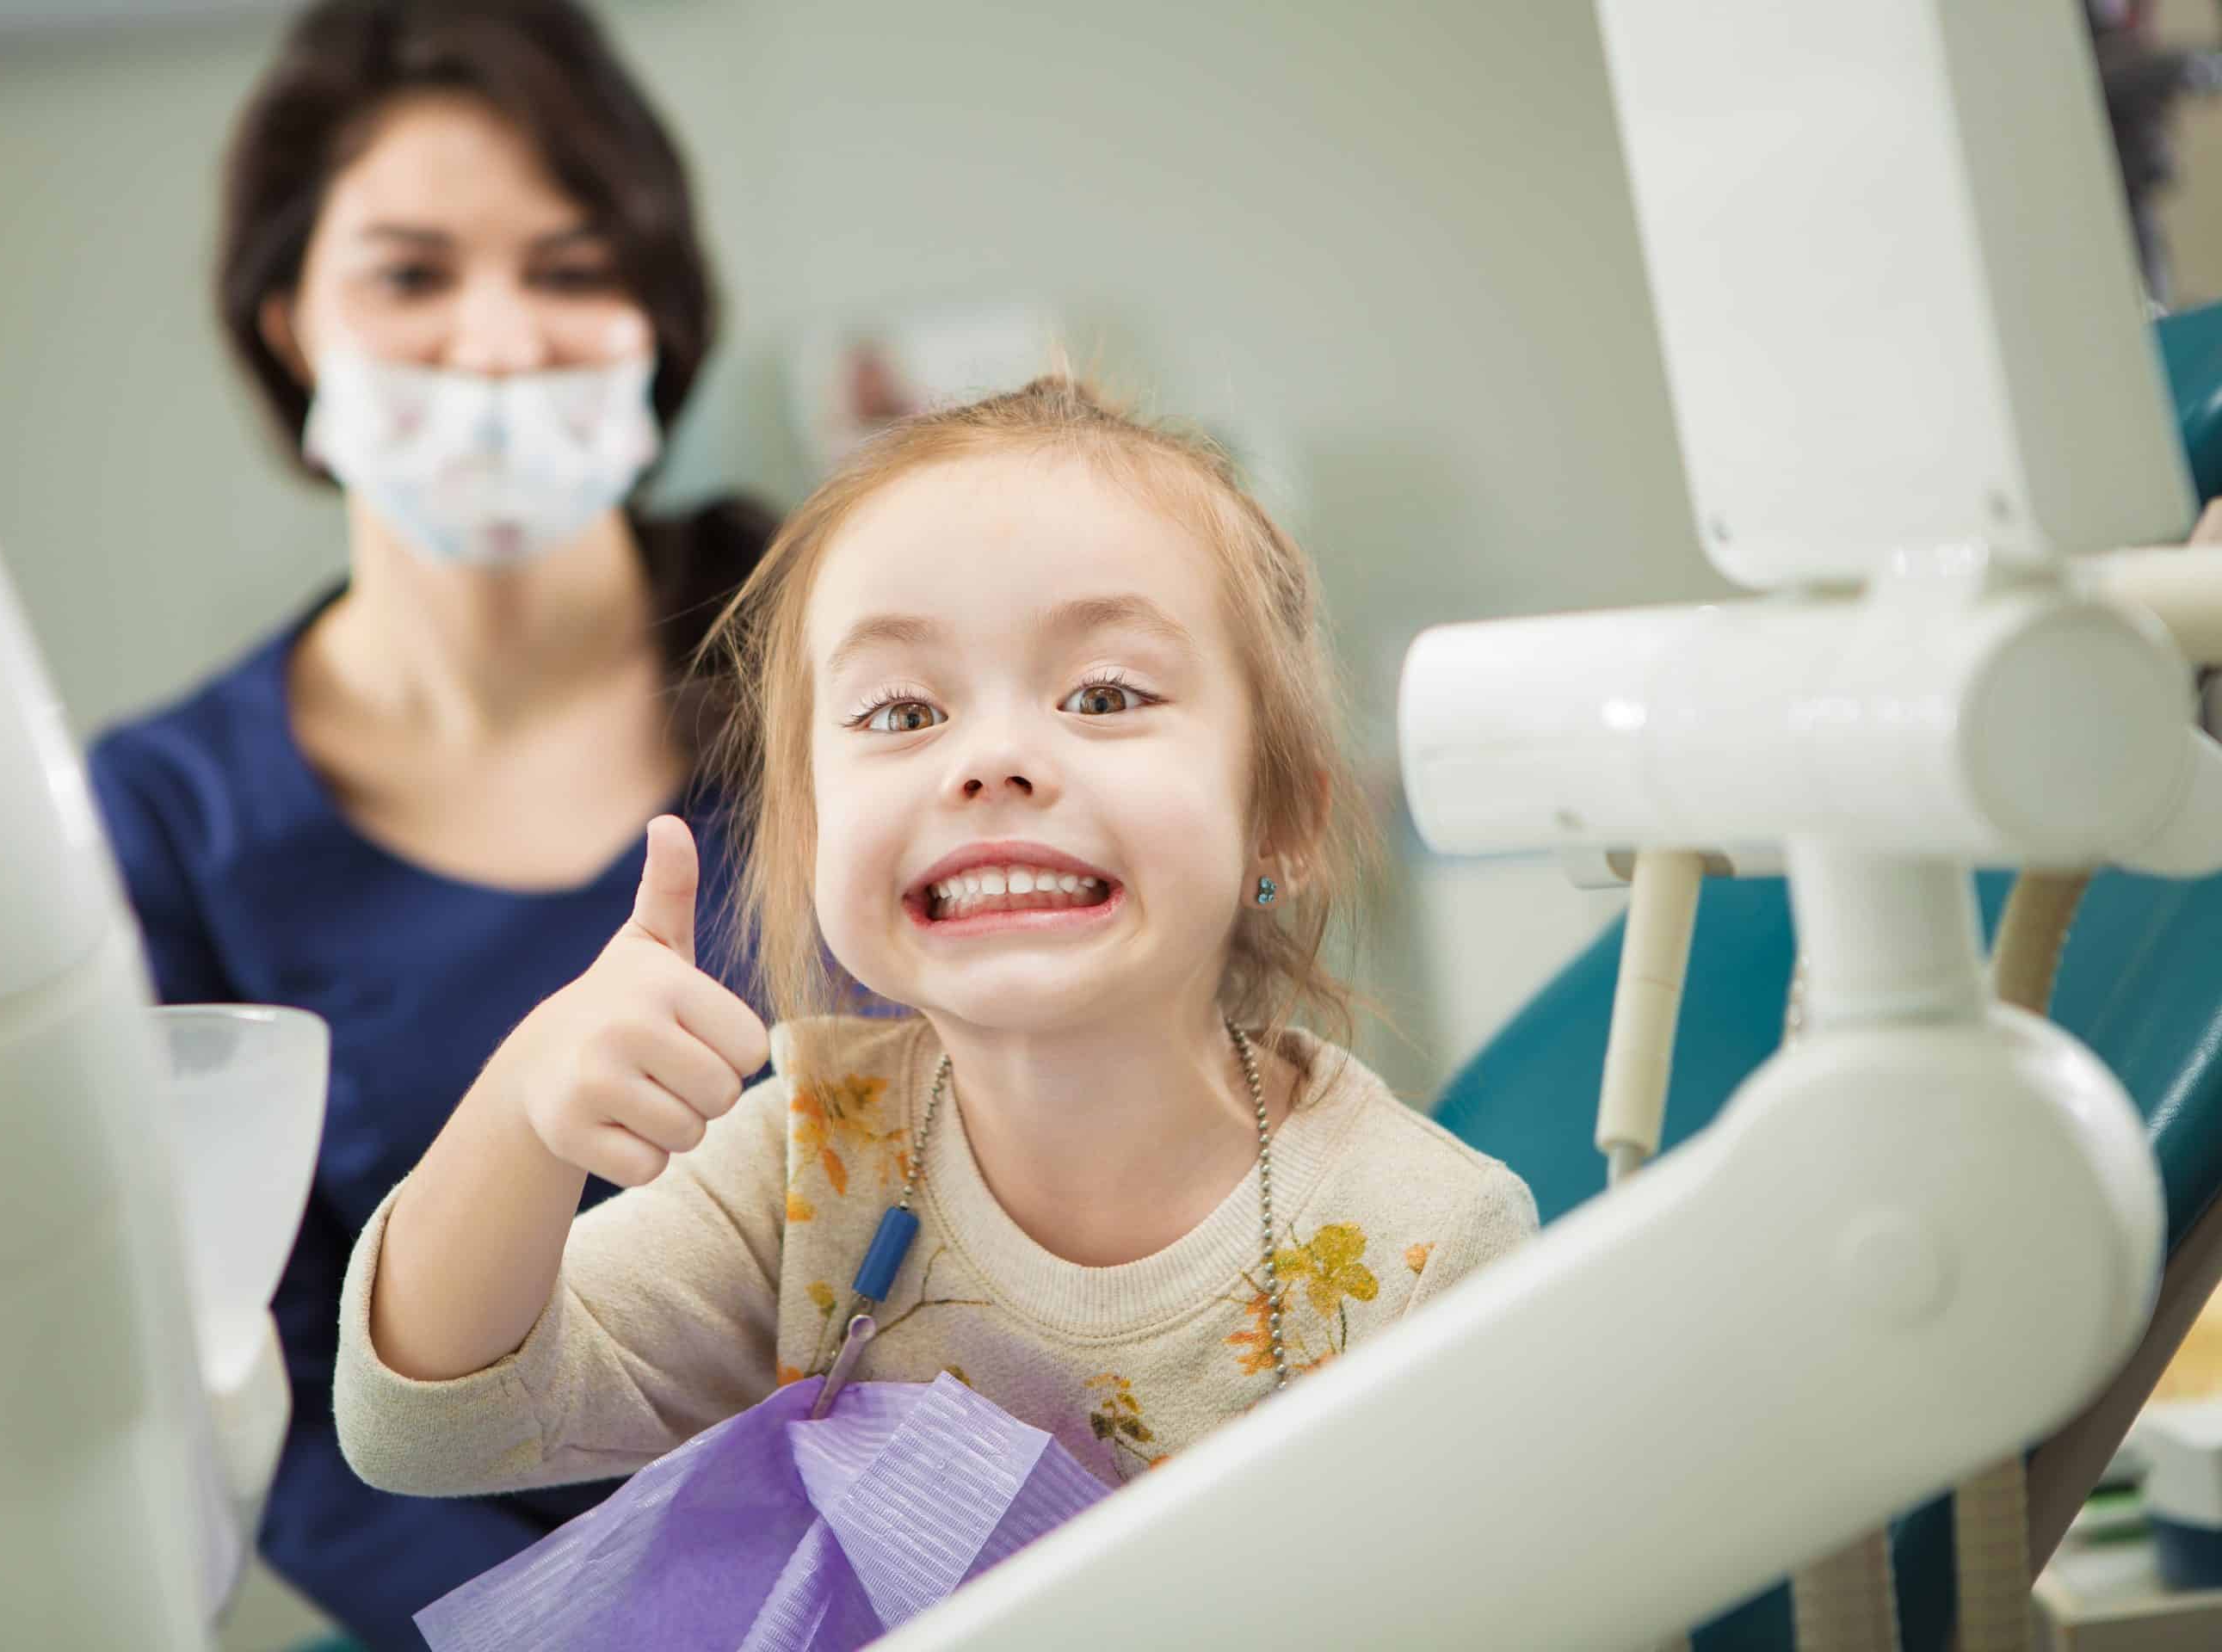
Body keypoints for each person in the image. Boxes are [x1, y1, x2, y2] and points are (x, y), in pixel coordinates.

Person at [333, 376, 1538, 1550]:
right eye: (903, 714)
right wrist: (523, 1107)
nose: (995, 758)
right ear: (808, 834)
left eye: (1105, 694)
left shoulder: (1427, 1242)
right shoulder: (812, 1158)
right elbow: (429, 1430)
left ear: (1283, 819)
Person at [84, 2, 770, 1643]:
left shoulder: (840, 668)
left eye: (569, 266)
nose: (494, 343)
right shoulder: (169, 824)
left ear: (658, 316)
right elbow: (257, 1384)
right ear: (288, 324)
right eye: (410, 275)